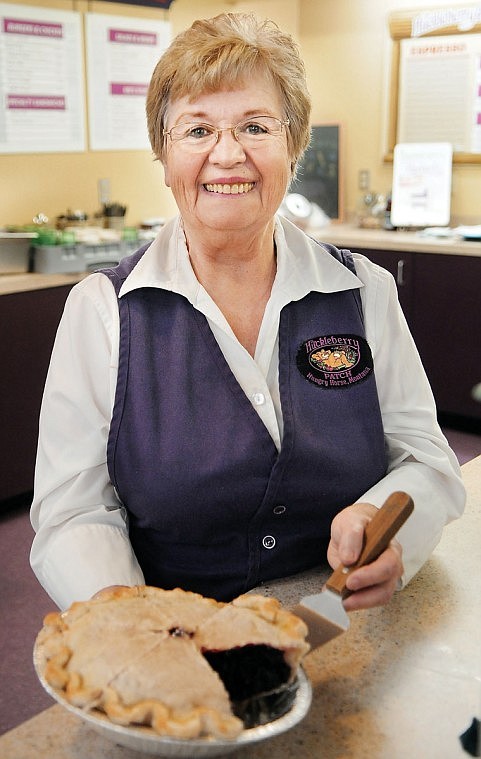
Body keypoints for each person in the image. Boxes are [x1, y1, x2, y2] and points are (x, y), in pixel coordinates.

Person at [30, 12, 465, 612]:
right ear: (163, 151)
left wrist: (390, 526)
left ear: (294, 144)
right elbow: (73, 510)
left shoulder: (364, 291)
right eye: (197, 129)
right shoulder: (102, 311)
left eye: (256, 126)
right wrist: (134, 622)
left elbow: (426, 460)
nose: (227, 154)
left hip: (343, 622)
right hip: (177, 649)